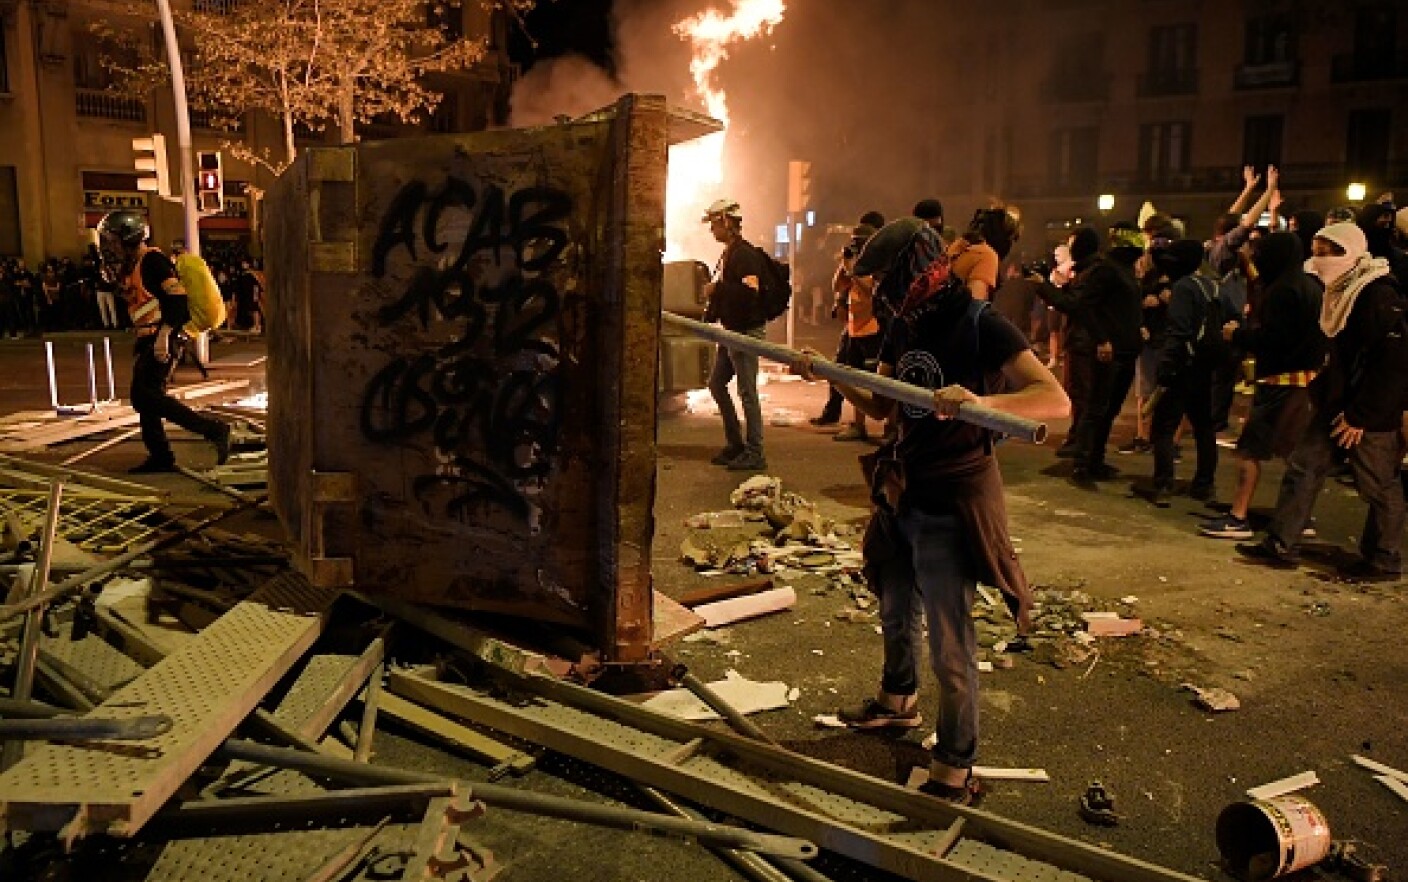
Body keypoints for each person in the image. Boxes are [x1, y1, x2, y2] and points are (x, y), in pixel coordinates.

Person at [805, 218, 1067, 805]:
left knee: (952, 641)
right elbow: (882, 404)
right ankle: (897, 702)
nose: (879, 294)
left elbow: (1054, 400)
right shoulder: (904, 325)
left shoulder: (980, 323)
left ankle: (957, 762)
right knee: (896, 607)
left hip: (954, 496)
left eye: (886, 280)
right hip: (904, 487)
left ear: (919, 271)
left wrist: (981, 402)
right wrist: (831, 375)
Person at [1238, 223, 1407, 580]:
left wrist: (1360, 415)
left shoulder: (1376, 294)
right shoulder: (1339, 290)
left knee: (1377, 484)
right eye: (1316, 250)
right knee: (1303, 466)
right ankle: (1282, 543)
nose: (1320, 259)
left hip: (1367, 412)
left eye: (1328, 251)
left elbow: (1389, 363)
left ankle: (1384, 558)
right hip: (1336, 404)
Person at [1199, 233, 1325, 539]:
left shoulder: (1282, 291)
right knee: (1292, 454)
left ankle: (1238, 516)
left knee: (1249, 452)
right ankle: (1299, 517)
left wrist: (1237, 335)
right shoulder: (1312, 286)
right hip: (1306, 382)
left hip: (1277, 382)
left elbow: (1274, 340)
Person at [96, 211, 231, 474]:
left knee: (145, 396)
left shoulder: (153, 261)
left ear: (129, 238)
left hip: (162, 338)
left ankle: (213, 430)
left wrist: (163, 337)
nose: (108, 248)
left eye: (112, 241)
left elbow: (177, 301)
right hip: (149, 338)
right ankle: (160, 456)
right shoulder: (133, 265)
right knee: (146, 399)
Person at [1039, 226, 1142, 482]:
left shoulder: (1121, 271)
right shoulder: (1107, 271)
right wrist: (1103, 339)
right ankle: (1083, 463)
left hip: (1124, 349)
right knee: (1096, 408)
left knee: (1106, 410)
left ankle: (1094, 460)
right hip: (1112, 349)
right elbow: (1082, 306)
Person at [1145, 238, 1227, 506]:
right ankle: (1205, 484)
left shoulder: (1183, 288)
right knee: (1204, 426)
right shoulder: (1214, 286)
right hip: (1205, 365)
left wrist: (1166, 367)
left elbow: (1179, 331)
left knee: (1164, 427)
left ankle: (1163, 484)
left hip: (1182, 365)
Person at [701, 198, 771, 471]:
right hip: (732, 332)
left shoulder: (744, 255)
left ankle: (756, 452)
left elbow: (750, 294)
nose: (712, 230)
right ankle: (735, 445)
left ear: (727, 222)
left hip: (745, 333)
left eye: (715, 224)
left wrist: (716, 291)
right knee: (717, 384)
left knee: (747, 393)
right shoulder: (730, 253)